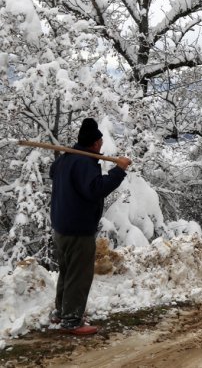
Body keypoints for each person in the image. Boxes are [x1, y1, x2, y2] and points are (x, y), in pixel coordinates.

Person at [49, 118, 132, 335]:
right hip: (77, 228)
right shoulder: (84, 162)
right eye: (101, 141)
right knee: (79, 274)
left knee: (67, 271)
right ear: (95, 144)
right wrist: (119, 171)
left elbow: (52, 172)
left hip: (61, 226)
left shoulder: (66, 159)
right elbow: (95, 189)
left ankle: (62, 312)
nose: (102, 144)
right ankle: (71, 320)